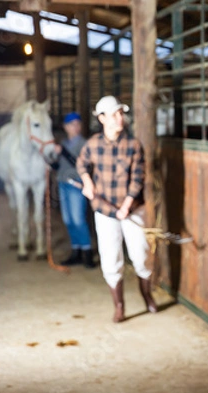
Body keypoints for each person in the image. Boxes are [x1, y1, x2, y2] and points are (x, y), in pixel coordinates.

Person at [76, 95, 157, 323]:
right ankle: (119, 306)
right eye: (114, 114)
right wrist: (87, 181)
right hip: (104, 210)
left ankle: (147, 295)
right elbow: (81, 163)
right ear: (102, 118)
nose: (119, 118)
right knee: (111, 258)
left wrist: (127, 206)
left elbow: (138, 179)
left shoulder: (133, 145)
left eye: (121, 113)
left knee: (140, 255)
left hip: (132, 210)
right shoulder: (93, 144)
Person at [53, 112, 96, 268]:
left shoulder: (85, 144)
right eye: (72, 124)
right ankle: (75, 250)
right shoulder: (64, 143)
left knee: (78, 219)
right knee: (68, 220)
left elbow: (78, 163)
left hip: (76, 184)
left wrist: (62, 152)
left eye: (78, 124)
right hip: (63, 183)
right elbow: (61, 165)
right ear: (65, 127)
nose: (75, 127)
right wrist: (50, 163)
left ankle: (87, 252)